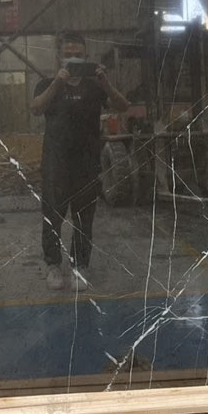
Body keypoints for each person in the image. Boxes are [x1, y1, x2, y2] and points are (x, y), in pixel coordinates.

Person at [31, 32, 129, 291]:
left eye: (78, 54)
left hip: (86, 165)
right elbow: (36, 108)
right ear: (58, 56)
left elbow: (123, 106)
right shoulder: (46, 84)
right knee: (52, 217)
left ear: (86, 56)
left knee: (84, 219)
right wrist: (58, 82)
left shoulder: (95, 87)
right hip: (55, 164)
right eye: (68, 54)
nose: (73, 58)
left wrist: (106, 83)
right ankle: (53, 266)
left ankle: (79, 266)